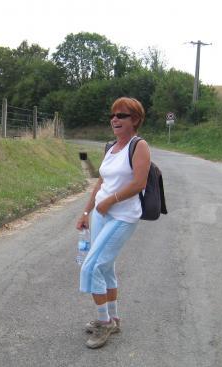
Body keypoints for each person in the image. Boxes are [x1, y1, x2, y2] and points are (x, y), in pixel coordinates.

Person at [76, 97, 151, 349]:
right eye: (113, 115)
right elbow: (101, 182)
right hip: (100, 214)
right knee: (106, 267)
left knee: (94, 265)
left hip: (123, 216)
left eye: (122, 115)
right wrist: (87, 211)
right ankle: (113, 318)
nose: (115, 119)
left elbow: (139, 183)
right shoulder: (111, 147)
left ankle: (104, 323)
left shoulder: (138, 146)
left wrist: (111, 201)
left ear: (136, 120)